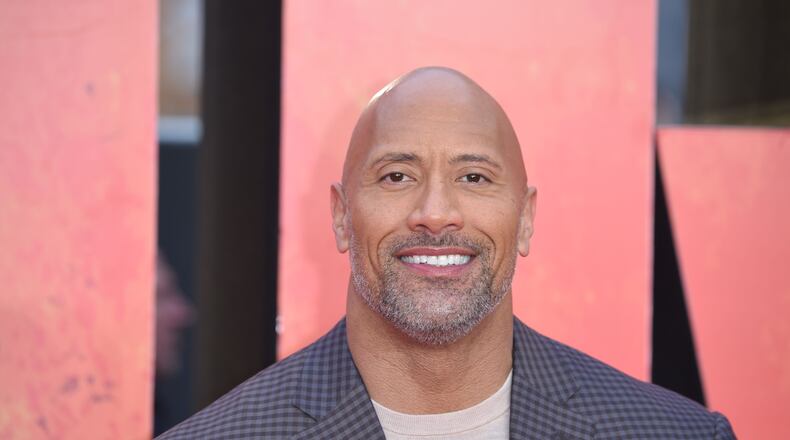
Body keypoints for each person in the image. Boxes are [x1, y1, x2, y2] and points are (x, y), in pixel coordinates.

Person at [158, 67, 735, 439]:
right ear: (340, 216)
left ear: (527, 219)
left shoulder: (673, 432)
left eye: (476, 178)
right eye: (397, 176)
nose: (435, 212)